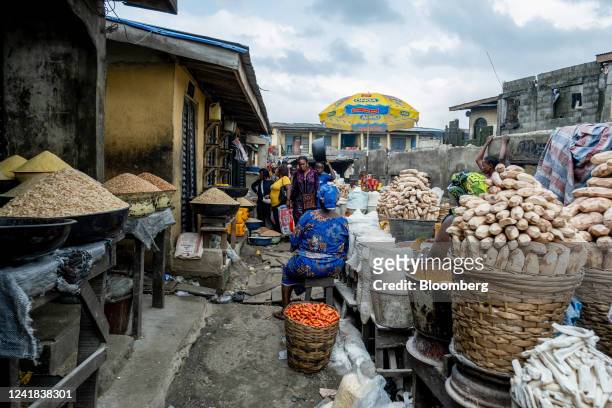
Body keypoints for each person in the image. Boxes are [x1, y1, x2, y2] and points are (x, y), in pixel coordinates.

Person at [273, 184, 349, 319]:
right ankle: (325, 307)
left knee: (287, 270)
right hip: (334, 267)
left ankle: (285, 310)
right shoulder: (343, 221)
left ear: (319, 198)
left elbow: (295, 240)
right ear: (337, 201)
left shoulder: (308, 216)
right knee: (305, 264)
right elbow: (345, 250)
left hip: (307, 265)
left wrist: (295, 249)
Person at [289, 156, 319, 223]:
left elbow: (317, 187)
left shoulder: (314, 173)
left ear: (307, 163)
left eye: (303, 164)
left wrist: (317, 198)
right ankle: (299, 233)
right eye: (300, 164)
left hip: (310, 200)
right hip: (299, 200)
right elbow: (293, 187)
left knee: (310, 220)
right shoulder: (296, 174)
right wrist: (290, 200)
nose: (301, 166)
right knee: (299, 220)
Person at [269, 164, 292, 232]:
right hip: (274, 204)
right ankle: (279, 235)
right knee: (277, 221)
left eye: (277, 169)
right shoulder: (279, 179)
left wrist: (288, 200)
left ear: (280, 171)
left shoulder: (285, 178)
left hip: (280, 203)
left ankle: (282, 236)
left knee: (281, 221)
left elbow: (288, 189)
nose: (275, 170)